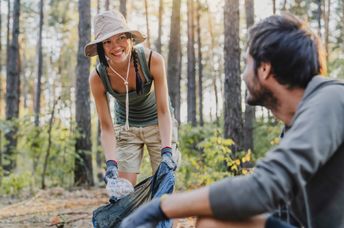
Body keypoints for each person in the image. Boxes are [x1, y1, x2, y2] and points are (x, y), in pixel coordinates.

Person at [120, 13, 344, 228]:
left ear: (264, 69)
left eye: (247, 63)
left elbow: (264, 187)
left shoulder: (331, 100)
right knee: (214, 222)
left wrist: (161, 206)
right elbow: (283, 213)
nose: (244, 74)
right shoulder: (297, 123)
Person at [84, 10, 180, 187]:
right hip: (127, 128)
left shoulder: (153, 60)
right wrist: (111, 163)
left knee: (163, 184)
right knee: (123, 191)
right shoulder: (97, 77)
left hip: (159, 125)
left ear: (130, 38)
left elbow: (164, 110)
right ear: (100, 47)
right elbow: (106, 126)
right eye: (107, 42)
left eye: (121, 37)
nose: (116, 46)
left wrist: (167, 151)